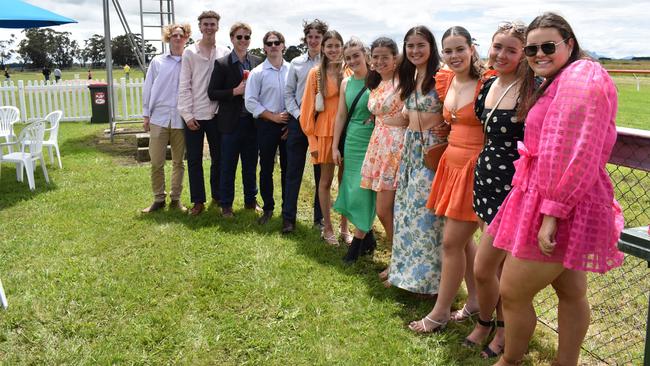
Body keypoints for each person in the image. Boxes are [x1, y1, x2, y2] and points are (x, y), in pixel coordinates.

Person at [489, 13, 623, 366]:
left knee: (513, 291)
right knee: (571, 291)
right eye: (531, 48)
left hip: (558, 202)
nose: (538, 54)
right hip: (546, 197)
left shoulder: (582, 75)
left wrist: (553, 213)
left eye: (548, 46)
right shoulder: (557, 78)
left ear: (570, 44)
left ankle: (510, 361)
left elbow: (573, 149)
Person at [410, 26, 492, 333]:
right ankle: (473, 302)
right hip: (450, 163)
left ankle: (441, 312)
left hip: (475, 168)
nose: (454, 56)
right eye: (449, 50)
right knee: (462, 241)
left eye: (460, 49)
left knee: (451, 243)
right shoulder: (446, 80)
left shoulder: (487, 81)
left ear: (472, 48)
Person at [462, 21, 527, 359]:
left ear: (523, 54)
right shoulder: (488, 84)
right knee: (494, 269)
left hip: (514, 189)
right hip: (485, 182)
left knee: (487, 268)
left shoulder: (533, 89)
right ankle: (489, 323)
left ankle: (500, 330)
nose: (501, 54)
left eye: (511, 49)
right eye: (497, 46)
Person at [387, 27, 446, 294]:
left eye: (420, 45)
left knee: (427, 220)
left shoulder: (442, 76)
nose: (415, 50)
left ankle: (429, 283)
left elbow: (454, 110)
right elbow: (406, 115)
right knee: (407, 215)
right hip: (409, 150)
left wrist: (448, 128)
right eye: (409, 46)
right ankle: (405, 275)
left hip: (431, 152)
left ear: (431, 47)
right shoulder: (411, 76)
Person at [300, 30, 351, 245]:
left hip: (348, 131)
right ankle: (327, 228)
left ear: (342, 47)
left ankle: (345, 227)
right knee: (325, 181)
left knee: (345, 181)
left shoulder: (349, 71)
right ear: (323, 48)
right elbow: (307, 111)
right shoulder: (315, 74)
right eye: (329, 45)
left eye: (337, 45)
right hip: (324, 132)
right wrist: (312, 141)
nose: (333, 50)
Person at [207, 22, 262, 218]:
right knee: (227, 166)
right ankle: (226, 204)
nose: (243, 41)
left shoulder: (256, 62)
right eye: (239, 37)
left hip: (251, 123)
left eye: (247, 37)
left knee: (250, 165)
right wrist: (234, 91)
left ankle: (250, 201)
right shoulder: (222, 64)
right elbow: (212, 93)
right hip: (230, 124)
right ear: (232, 38)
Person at [178, 10, 230, 216]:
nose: (209, 27)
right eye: (205, 24)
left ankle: (217, 195)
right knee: (194, 159)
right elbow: (184, 85)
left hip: (217, 113)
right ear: (200, 27)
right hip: (194, 114)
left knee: (219, 157)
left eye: (212, 24)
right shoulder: (190, 52)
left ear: (218, 26)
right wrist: (187, 115)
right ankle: (198, 200)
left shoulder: (224, 52)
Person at [332, 38, 377, 263]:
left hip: (374, 142)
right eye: (348, 58)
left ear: (366, 55)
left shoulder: (377, 80)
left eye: (356, 56)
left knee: (364, 191)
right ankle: (368, 236)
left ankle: (357, 244)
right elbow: (341, 115)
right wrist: (334, 146)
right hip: (352, 141)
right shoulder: (346, 83)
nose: (352, 61)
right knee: (351, 189)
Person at [283, 19, 328, 234]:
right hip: (299, 121)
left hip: (322, 123)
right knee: (293, 170)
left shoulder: (329, 63)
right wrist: (300, 115)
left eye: (317, 37)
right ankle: (288, 218)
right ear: (305, 38)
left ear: (323, 39)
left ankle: (319, 219)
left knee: (321, 174)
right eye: (309, 37)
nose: (313, 40)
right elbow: (288, 93)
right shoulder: (296, 63)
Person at [141, 23, 191, 214]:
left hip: (181, 119)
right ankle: (158, 198)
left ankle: (176, 199)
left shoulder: (190, 60)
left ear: (186, 38)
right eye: (174, 36)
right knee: (156, 162)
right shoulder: (157, 61)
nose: (177, 39)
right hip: (159, 118)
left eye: (181, 35)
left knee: (179, 162)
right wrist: (146, 115)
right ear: (168, 38)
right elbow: (148, 88)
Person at [244, 31, 290, 225]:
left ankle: (288, 209)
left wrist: (291, 123)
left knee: (289, 169)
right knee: (266, 169)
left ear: (283, 46)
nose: (273, 46)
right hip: (267, 125)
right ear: (264, 47)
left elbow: (298, 97)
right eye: (269, 43)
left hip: (289, 126)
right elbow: (250, 102)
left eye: (276, 42)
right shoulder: (258, 73)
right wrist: (272, 117)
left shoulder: (292, 70)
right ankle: (268, 208)